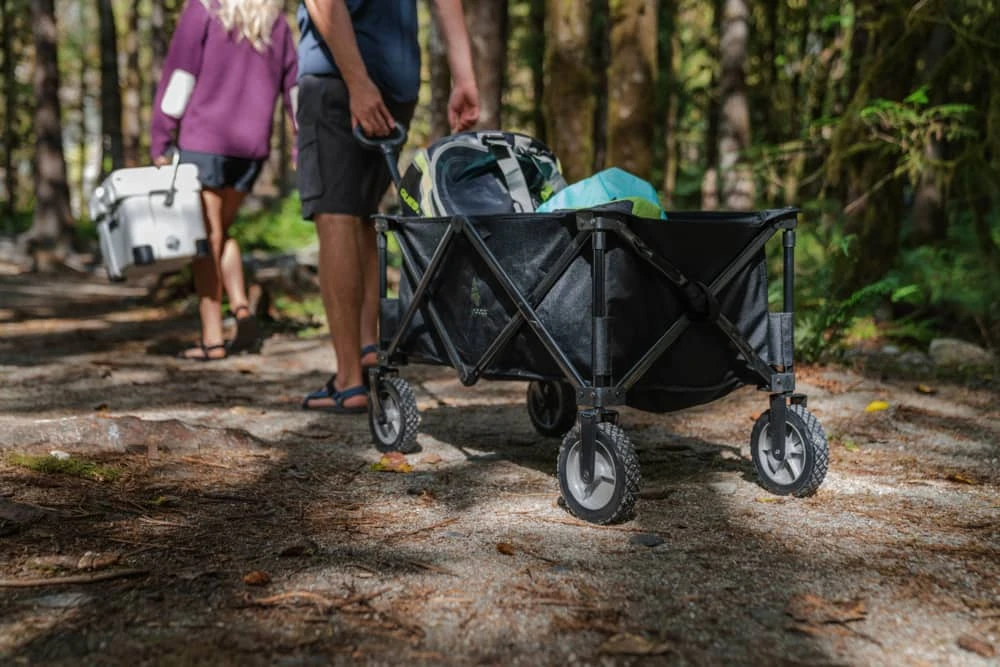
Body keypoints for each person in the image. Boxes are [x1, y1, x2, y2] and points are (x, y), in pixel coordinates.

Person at [297, 0, 479, 412]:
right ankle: (367, 349)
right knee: (363, 213)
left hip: (339, 76)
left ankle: (348, 382)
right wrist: (463, 75)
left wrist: (357, 82)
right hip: (398, 80)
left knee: (336, 216)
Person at [151, 0, 298, 361]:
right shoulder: (274, 20)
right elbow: (295, 86)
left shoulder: (204, 8)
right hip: (251, 149)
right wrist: (301, 141)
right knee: (220, 231)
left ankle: (213, 338)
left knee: (205, 239)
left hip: (205, 141)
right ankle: (242, 309)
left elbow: (180, 75)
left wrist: (161, 136)